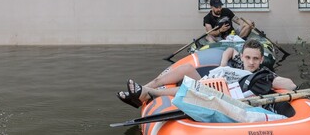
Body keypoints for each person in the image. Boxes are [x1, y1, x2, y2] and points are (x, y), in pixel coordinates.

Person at [116, 39, 297, 109]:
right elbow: (229, 51)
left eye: (255, 59)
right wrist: (223, 65)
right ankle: (145, 89)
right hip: (211, 81)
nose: (251, 62)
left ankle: (143, 94)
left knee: (197, 86)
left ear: (260, 59)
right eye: (248, 57)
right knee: (186, 70)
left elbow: (291, 85)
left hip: (220, 94)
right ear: (242, 56)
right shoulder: (237, 57)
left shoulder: (261, 73)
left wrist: (273, 78)